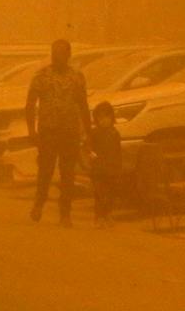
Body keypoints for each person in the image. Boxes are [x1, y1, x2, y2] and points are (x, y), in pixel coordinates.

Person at [25, 39, 91, 226]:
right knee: (45, 171)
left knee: (67, 174)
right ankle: (39, 204)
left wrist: (88, 131)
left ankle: (65, 214)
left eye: (62, 53)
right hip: (48, 131)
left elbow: (83, 104)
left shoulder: (77, 77)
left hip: (70, 131)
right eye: (55, 53)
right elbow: (30, 104)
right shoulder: (42, 76)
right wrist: (32, 130)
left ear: (68, 55)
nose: (58, 57)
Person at [88, 101, 122, 227]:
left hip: (112, 169)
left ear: (112, 117)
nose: (104, 120)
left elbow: (118, 152)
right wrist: (91, 156)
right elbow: (89, 149)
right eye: (100, 117)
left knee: (111, 193)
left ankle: (107, 214)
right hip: (98, 170)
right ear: (96, 119)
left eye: (107, 117)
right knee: (100, 194)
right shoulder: (94, 133)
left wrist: (118, 167)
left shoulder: (115, 133)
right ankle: (99, 217)